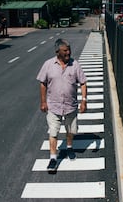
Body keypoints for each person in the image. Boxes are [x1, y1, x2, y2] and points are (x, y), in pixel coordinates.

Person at [36, 38, 87, 171]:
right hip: (54, 106)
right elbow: (42, 83)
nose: (68, 52)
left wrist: (84, 100)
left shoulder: (75, 64)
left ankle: (69, 147)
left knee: (71, 130)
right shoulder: (48, 64)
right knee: (53, 132)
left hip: (71, 105)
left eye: (69, 50)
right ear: (57, 51)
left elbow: (83, 83)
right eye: (65, 50)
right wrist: (43, 102)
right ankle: (53, 158)